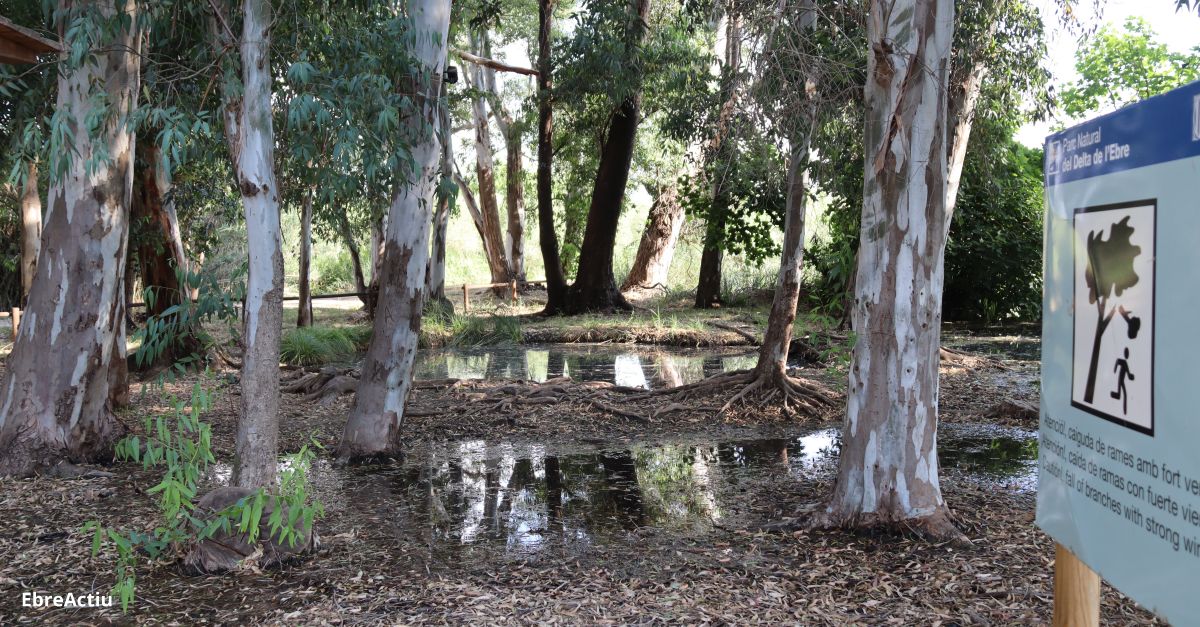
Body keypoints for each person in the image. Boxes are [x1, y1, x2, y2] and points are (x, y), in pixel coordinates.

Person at [1111, 347, 1135, 414]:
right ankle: (1124, 411)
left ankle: (1125, 411)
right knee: (1122, 394)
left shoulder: (1125, 363)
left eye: (1127, 354)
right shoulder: (1124, 362)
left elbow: (1128, 374)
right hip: (1120, 380)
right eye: (1126, 354)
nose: (1127, 356)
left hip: (1121, 380)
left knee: (1123, 394)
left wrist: (1131, 377)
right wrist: (1115, 369)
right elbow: (1118, 361)